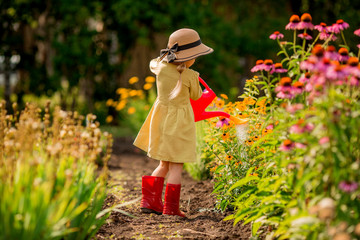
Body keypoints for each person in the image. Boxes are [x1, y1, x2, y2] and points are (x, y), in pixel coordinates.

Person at [133, 28, 213, 217]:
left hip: (160, 120)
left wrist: (166, 58)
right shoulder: (190, 76)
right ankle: (171, 208)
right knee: (176, 167)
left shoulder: (159, 67)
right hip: (180, 124)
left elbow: (153, 62)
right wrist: (196, 81)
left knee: (163, 164)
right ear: (190, 57)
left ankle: (150, 201)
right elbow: (196, 95)